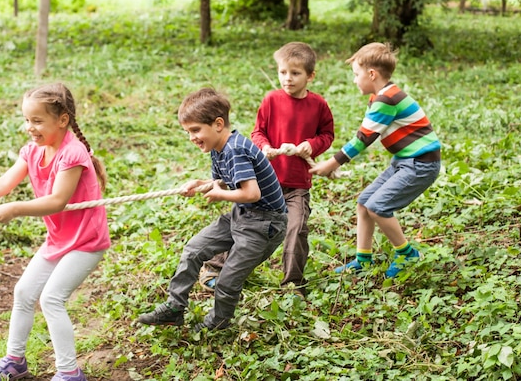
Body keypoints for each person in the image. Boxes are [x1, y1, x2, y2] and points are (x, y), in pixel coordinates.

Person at [0, 83, 109, 381]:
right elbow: (5, 182)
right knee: (23, 292)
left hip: (87, 241)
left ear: (62, 120)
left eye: (37, 121)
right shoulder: (33, 151)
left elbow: (57, 201)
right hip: (59, 239)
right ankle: (15, 360)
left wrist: (16, 208)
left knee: (51, 299)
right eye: (26, 120)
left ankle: (70, 373)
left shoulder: (72, 154)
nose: (29, 127)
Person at [137, 87, 288, 332]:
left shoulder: (235, 149)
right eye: (188, 132)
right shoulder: (218, 149)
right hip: (243, 215)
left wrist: (219, 194)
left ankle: (218, 322)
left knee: (228, 279)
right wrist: (201, 185)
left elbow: (252, 193)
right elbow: (226, 182)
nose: (192, 138)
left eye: (196, 130)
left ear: (218, 124)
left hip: (264, 224)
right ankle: (175, 307)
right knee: (194, 249)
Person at [199, 42, 334, 298]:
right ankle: (215, 267)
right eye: (283, 72)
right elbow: (257, 131)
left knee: (296, 228)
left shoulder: (318, 105)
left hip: (297, 185)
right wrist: (264, 146)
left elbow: (327, 134)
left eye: (295, 73)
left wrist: (311, 145)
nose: (288, 79)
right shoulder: (271, 100)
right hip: (264, 184)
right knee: (244, 223)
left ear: (310, 76)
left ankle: (292, 282)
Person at [309, 42, 441, 277]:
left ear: (372, 74)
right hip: (403, 162)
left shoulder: (387, 99)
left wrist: (332, 163)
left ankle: (407, 254)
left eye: (356, 74)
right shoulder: (380, 97)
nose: (354, 80)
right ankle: (364, 259)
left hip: (420, 164)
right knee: (364, 204)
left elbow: (363, 138)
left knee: (378, 208)